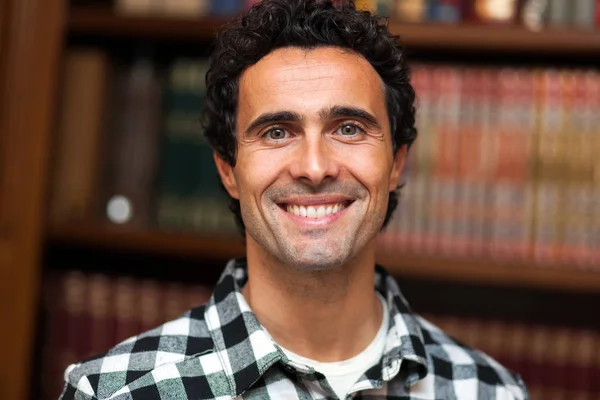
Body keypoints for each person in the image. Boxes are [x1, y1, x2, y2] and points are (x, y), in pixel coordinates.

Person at [60, 1, 528, 399]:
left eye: (348, 128)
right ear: (228, 170)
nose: (314, 166)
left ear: (396, 163)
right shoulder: (116, 391)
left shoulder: (492, 392)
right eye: (277, 132)